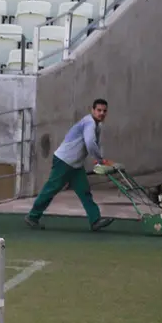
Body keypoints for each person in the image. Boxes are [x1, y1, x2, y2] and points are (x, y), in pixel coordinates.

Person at [25, 98, 115, 232]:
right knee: (51, 189)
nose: (101, 113)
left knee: (85, 192)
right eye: (99, 110)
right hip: (64, 161)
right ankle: (32, 217)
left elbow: (96, 144)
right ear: (92, 110)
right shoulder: (89, 123)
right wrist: (100, 159)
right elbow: (90, 143)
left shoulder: (97, 125)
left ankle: (95, 220)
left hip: (75, 164)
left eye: (104, 111)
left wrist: (99, 158)